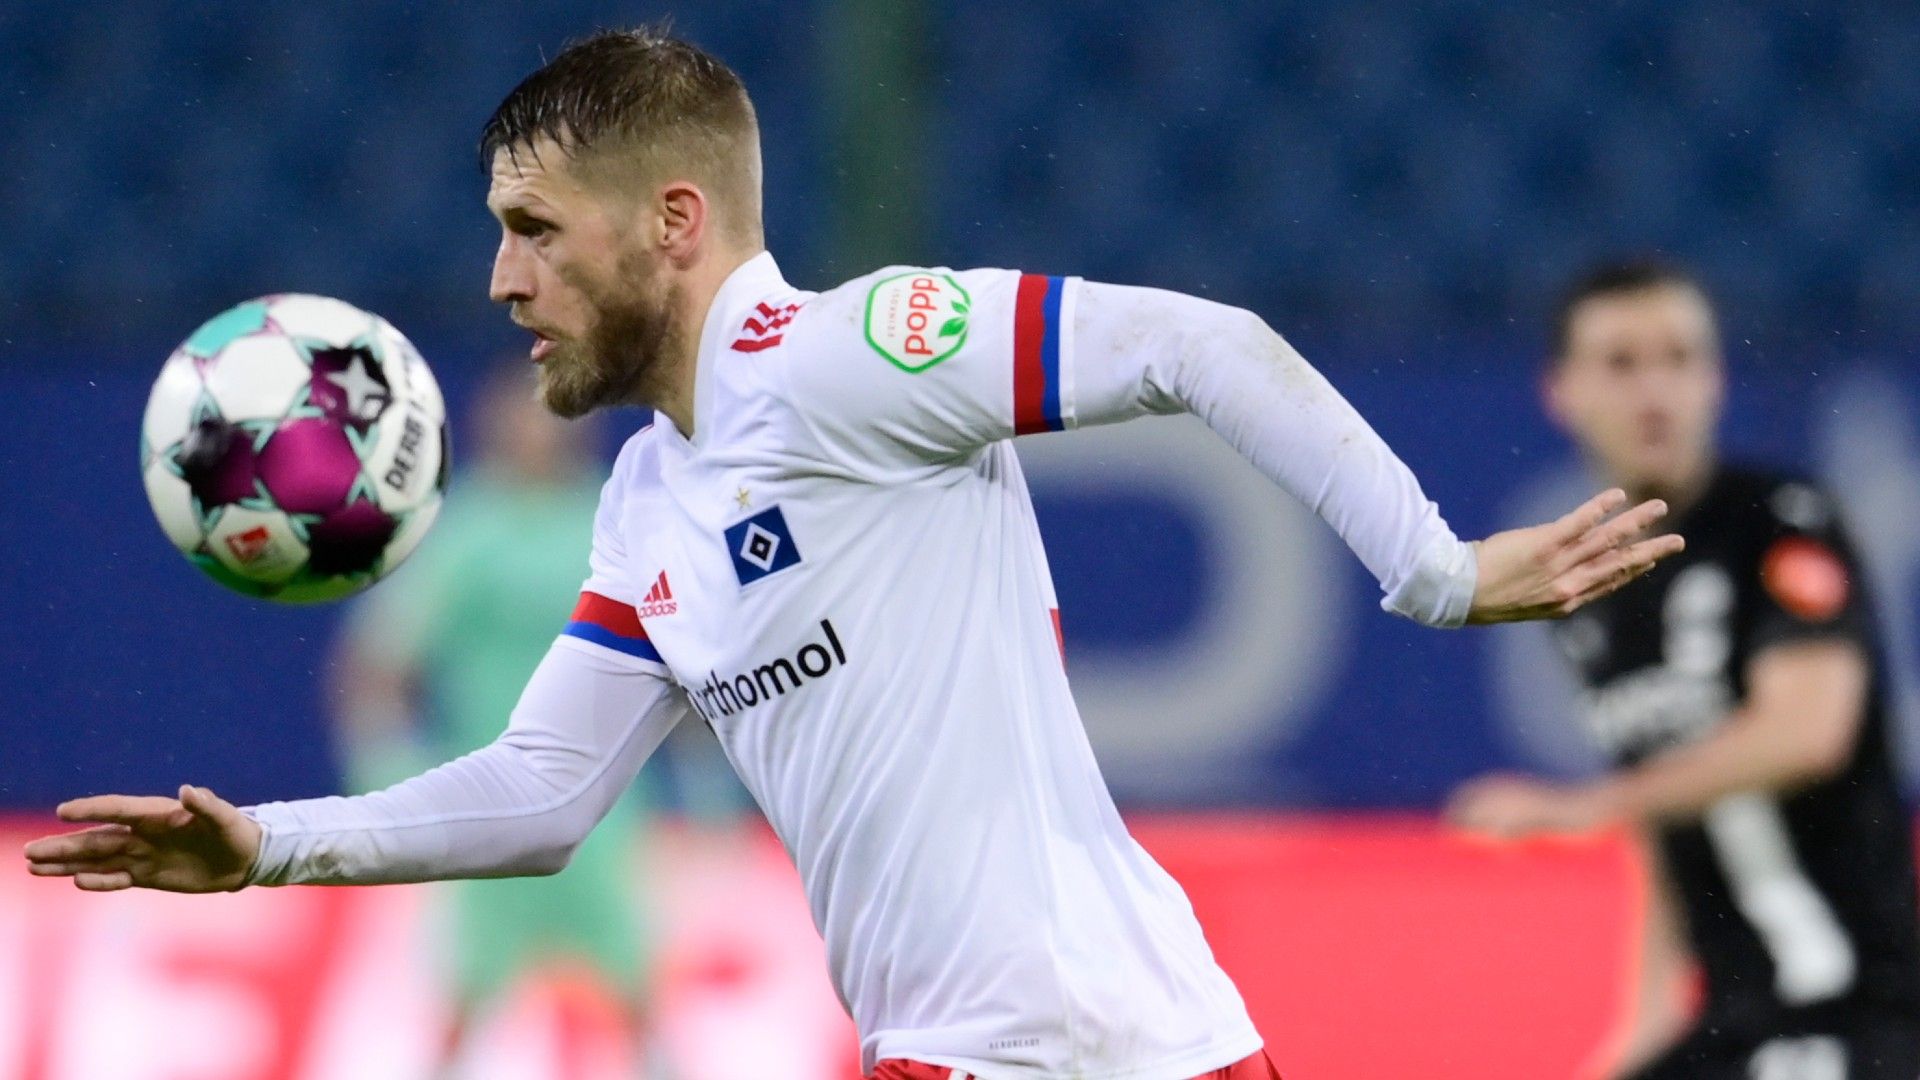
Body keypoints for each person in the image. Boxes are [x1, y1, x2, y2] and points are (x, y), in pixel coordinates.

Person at [26, 29, 1681, 1080]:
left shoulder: (859, 350)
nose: (499, 281)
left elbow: (1204, 342)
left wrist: (1440, 573)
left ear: (673, 221)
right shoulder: (648, 501)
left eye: (532, 228)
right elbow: (540, 792)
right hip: (995, 1055)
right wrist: (264, 847)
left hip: (1106, 1046)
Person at [1449, 260, 1920, 1080]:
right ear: (1560, 392)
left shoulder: (1781, 523)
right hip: (1731, 1021)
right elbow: (1667, 824)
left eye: (1679, 358)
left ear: (1715, 380)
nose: (1654, 390)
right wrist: (1638, 1030)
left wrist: (1586, 806)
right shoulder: (1590, 596)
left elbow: (1809, 732)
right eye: (1622, 364)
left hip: (1853, 1008)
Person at [332, 363, 651, 1072]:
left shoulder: (613, 521)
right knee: (468, 999)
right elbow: (378, 664)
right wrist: (384, 772)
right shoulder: (469, 534)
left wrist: (709, 785)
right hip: (491, 807)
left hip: (606, 812)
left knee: (637, 995)